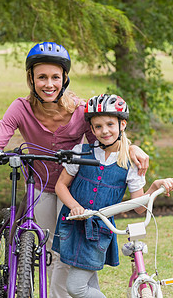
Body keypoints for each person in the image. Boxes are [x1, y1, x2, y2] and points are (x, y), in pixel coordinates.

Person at [0, 43, 149, 298]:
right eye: (41, 77)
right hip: (41, 186)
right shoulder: (20, 108)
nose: (49, 84)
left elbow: (106, 140)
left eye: (55, 77)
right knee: (45, 250)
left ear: (64, 79)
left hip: (74, 189)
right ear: (31, 79)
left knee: (65, 253)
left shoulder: (80, 111)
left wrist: (133, 148)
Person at [52, 94, 173, 298]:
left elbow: (139, 207)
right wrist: (74, 206)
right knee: (86, 282)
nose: (104, 130)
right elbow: (61, 186)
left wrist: (153, 187)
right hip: (72, 226)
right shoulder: (80, 152)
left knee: (76, 287)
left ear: (122, 124)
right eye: (98, 126)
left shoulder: (130, 163)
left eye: (110, 124)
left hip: (98, 232)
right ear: (91, 129)